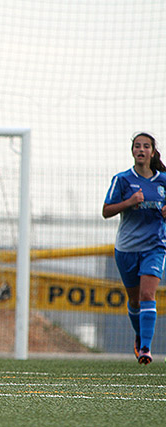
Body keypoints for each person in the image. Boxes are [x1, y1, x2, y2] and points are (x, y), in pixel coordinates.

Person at [102, 132, 166, 365]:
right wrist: (129, 202)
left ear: (152, 151)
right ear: (132, 151)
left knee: (148, 294)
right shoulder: (122, 179)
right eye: (137, 146)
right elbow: (106, 211)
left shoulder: (164, 181)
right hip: (127, 249)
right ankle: (139, 336)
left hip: (155, 247)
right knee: (135, 301)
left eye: (146, 146)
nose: (141, 150)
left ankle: (146, 348)